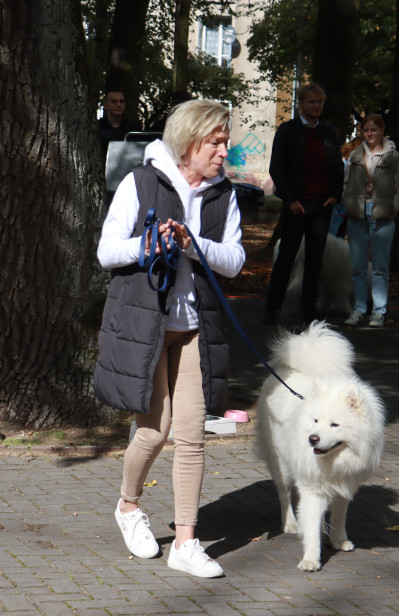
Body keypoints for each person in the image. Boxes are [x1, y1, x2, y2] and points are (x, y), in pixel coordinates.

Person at [94, 99, 245, 578]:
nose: (224, 152)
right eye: (215, 143)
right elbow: (106, 251)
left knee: (193, 436)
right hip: (147, 325)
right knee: (156, 431)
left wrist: (193, 247)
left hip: (196, 326)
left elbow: (236, 260)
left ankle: (185, 542)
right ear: (188, 142)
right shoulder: (142, 181)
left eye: (226, 142)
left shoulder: (225, 194)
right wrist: (149, 243)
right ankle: (128, 507)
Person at [263, 83, 343, 325]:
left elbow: (338, 167)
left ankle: (309, 309)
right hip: (295, 206)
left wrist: (334, 195)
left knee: (314, 260)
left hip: (322, 206)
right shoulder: (287, 131)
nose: (316, 106)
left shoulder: (329, 133)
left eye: (320, 102)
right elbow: (276, 168)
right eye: (312, 102)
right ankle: (272, 308)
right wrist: (291, 200)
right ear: (301, 103)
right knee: (286, 259)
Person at [342, 113, 399, 328]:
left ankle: (379, 311)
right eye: (366, 130)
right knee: (358, 266)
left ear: (382, 131)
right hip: (357, 214)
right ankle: (359, 308)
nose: (369, 134)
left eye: (374, 130)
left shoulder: (393, 157)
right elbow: (346, 181)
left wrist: (393, 206)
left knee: (380, 266)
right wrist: (349, 201)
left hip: (382, 214)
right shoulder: (354, 156)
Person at [98, 90, 142, 157]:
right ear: (106, 105)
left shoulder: (134, 129)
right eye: (114, 101)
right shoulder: (97, 129)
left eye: (122, 102)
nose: (118, 105)